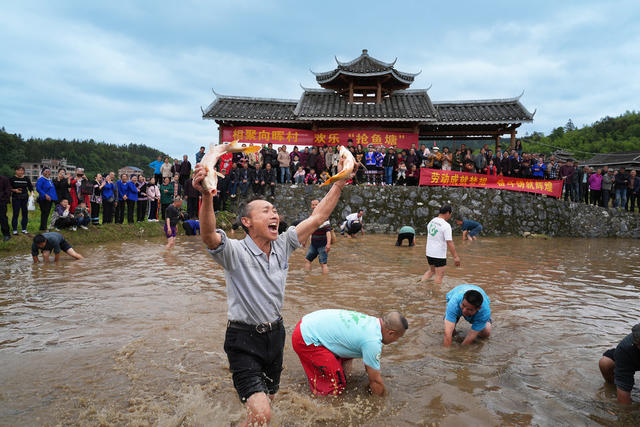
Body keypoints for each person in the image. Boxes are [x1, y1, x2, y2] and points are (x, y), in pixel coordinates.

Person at [191, 152, 350, 426]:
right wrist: (206, 196)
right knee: (262, 413)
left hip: (275, 336)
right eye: (265, 211)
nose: (274, 214)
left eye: (274, 210)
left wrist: (340, 182)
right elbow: (208, 235)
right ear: (247, 222)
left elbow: (318, 216)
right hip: (243, 340)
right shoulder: (234, 252)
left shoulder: (284, 245)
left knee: (266, 406)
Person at [292, 309, 408, 396]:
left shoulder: (370, 322)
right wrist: (380, 404)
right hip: (305, 337)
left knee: (341, 376)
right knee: (336, 385)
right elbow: (375, 381)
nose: (395, 341)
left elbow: (349, 348)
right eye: (398, 337)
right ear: (391, 333)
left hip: (307, 322)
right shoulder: (372, 341)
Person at [599, 323, 640, 404]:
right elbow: (624, 385)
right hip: (633, 357)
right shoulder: (625, 349)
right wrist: (626, 414)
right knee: (605, 363)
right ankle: (613, 387)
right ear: (637, 344)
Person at [421, 205, 460, 285]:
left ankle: (420, 284)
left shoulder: (432, 221)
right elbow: (449, 242)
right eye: (450, 214)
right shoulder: (446, 225)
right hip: (438, 254)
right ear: (448, 213)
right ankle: (436, 294)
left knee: (431, 271)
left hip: (429, 253)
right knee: (439, 275)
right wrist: (455, 257)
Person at [304, 199, 332, 274]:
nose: (314, 206)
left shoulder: (324, 217)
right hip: (313, 244)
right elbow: (308, 230)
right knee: (307, 260)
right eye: (313, 205)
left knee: (323, 264)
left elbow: (328, 232)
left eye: (316, 204)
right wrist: (304, 241)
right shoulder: (311, 217)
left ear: (320, 205)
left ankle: (325, 282)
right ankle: (307, 277)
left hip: (323, 244)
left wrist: (328, 244)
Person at [9, 166, 33, 235]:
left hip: (25, 198)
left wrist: (32, 193)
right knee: (15, 214)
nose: (21, 172)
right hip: (16, 198)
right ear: (16, 171)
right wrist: (15, 190)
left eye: (22, 170)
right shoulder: (12, 179)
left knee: (25, 214)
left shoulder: (26, 178)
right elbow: (9, 188)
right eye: (19, 170)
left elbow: (30, 187)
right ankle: (14, 230)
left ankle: (24, 229)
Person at [0, 174, 10, 241]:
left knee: (3, 218)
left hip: (1, 202)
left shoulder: (4, 179)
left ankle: (6, 234)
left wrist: (4, 200)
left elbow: (8, 190)